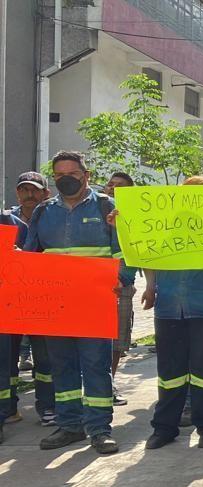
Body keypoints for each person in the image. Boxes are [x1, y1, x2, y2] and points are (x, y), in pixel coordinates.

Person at [24, 151, 124, 454]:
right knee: (62, 366)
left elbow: (125, 253)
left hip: (96, 303)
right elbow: (31, 256)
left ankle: (99, 429)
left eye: (72, 173)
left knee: (95, 365)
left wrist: (124, 280)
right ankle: (69, 426)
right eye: (59, 175)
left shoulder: (108, 208)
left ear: (87, 175)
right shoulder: (44, 212)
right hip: (57, 306)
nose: (65, 179)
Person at [137, 176, 203, 449]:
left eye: (201, 196)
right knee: (169, 372)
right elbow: (147, 254)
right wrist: (151, 287)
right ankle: (165, 428)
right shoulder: (163, 226)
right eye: (189, 195)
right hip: (169, 309)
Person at [11, 171, 55, 425]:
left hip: (43, 299)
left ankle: (47, 407)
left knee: (45, 357)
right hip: (11, 301)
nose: (29, 195)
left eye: (35, 190)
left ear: (45, 193)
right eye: (24, 190)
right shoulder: (6, 220)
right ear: (18, 193)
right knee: (8, 358)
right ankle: (8, 409)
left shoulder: (54, 218)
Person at [103, 171, 137, 407]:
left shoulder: (136, 216)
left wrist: (124, 279)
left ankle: (108, 385)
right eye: (111, 184)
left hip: (121, 286)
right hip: (92, 285)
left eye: (120, 186)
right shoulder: (95, 211)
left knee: (117, 339)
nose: (113, 189)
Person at [0, 208, 28, 442]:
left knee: (2, 366)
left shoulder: (11, 223)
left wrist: (19, 256)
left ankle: (2, 415)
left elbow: (31, 265)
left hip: (4, 308)